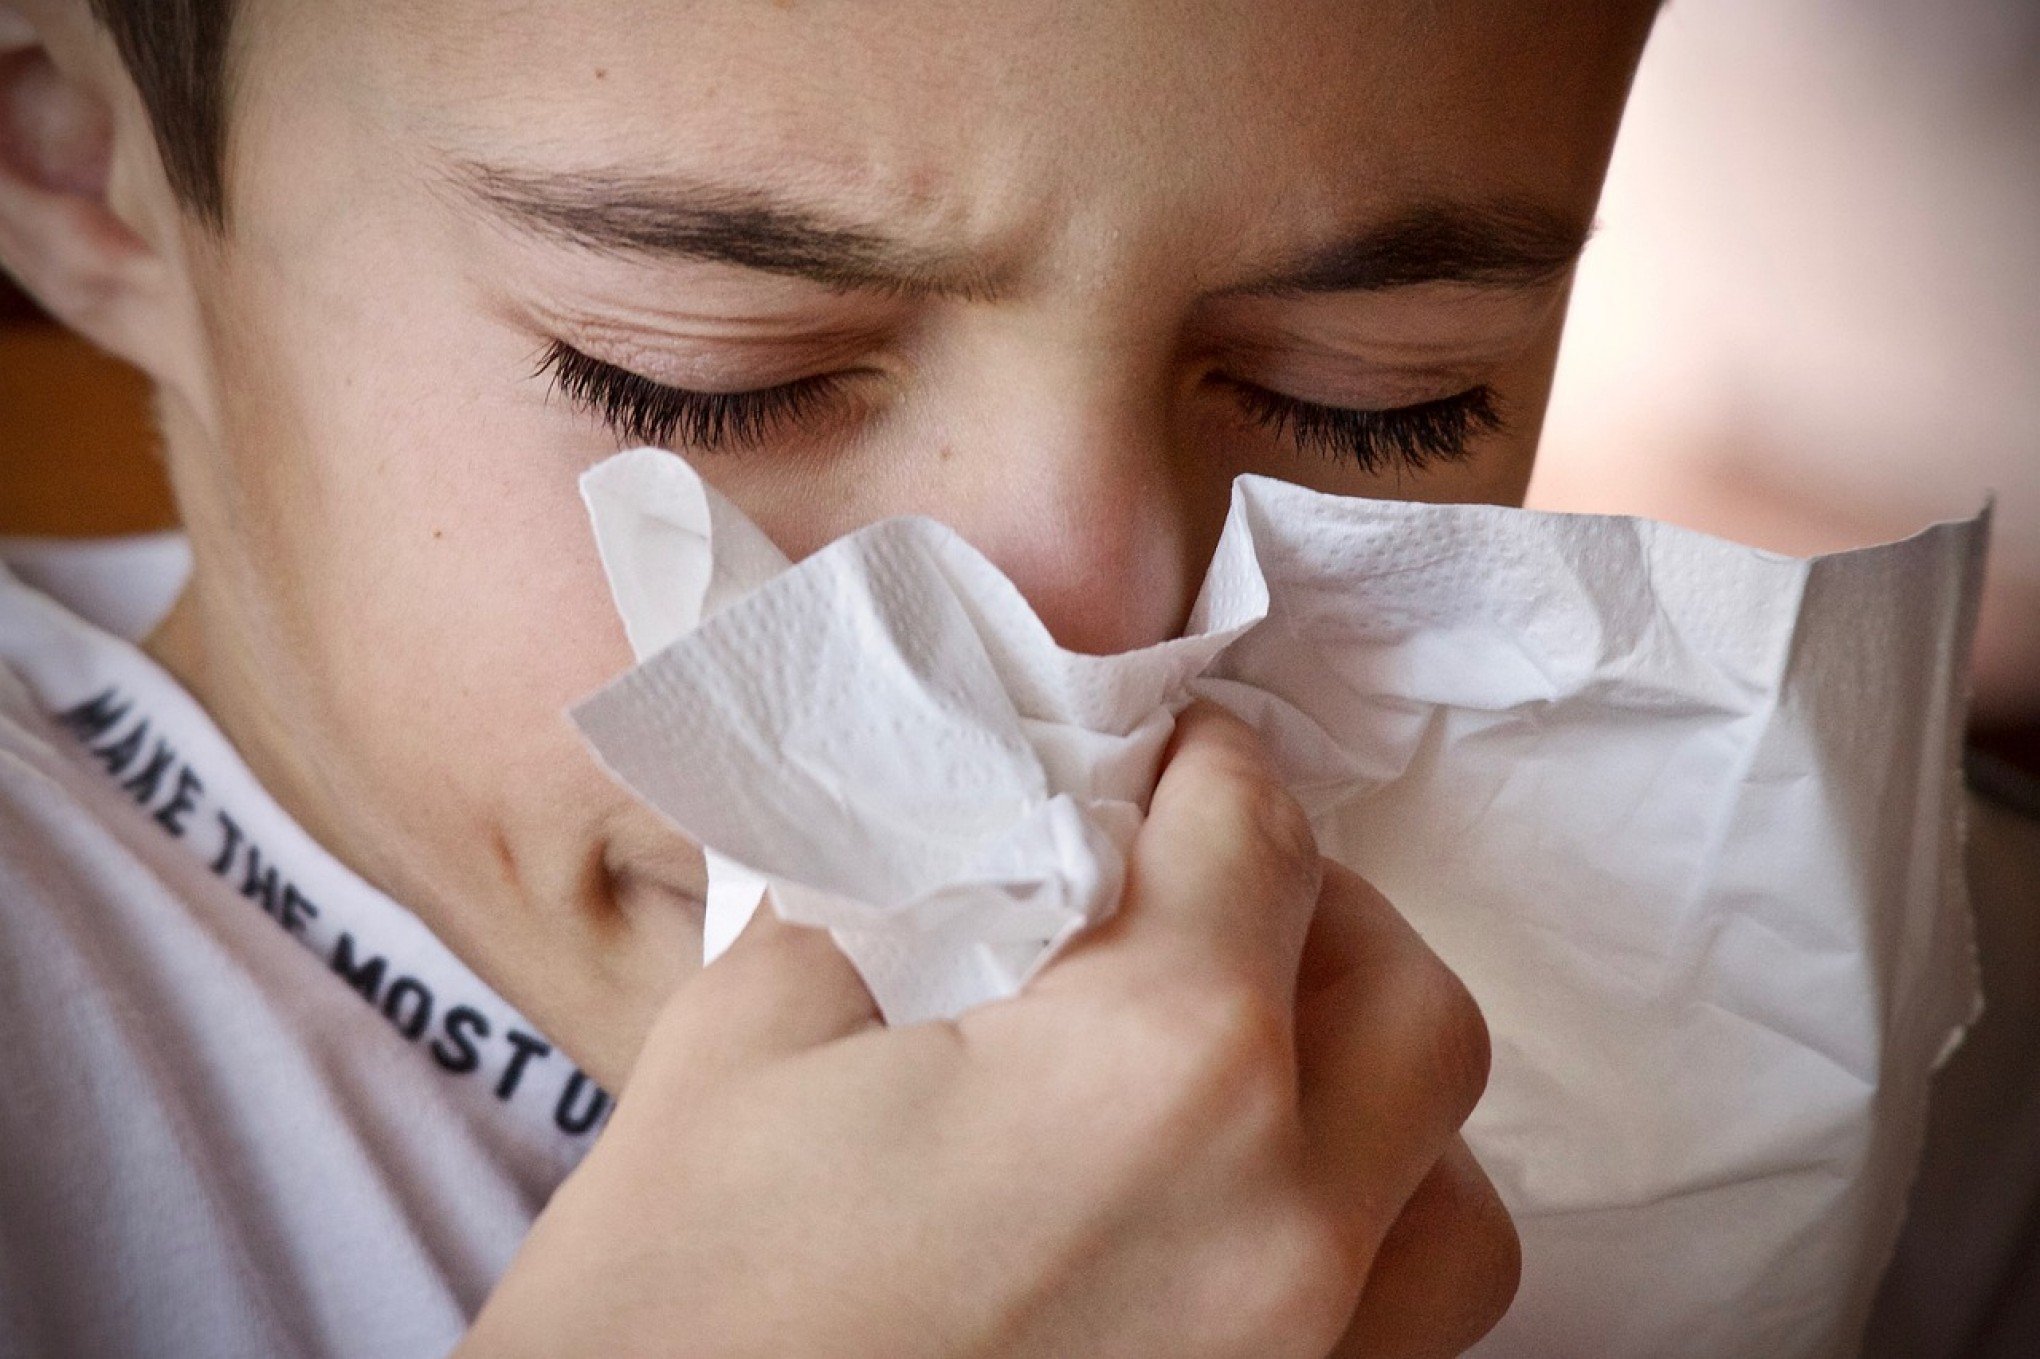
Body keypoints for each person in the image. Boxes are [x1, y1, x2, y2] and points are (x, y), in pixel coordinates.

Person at [0, 1, 1659, 1354]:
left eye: (1371, 402)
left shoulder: (1680, 994)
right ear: (84, 172)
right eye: (713, 386)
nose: (1099, 642)